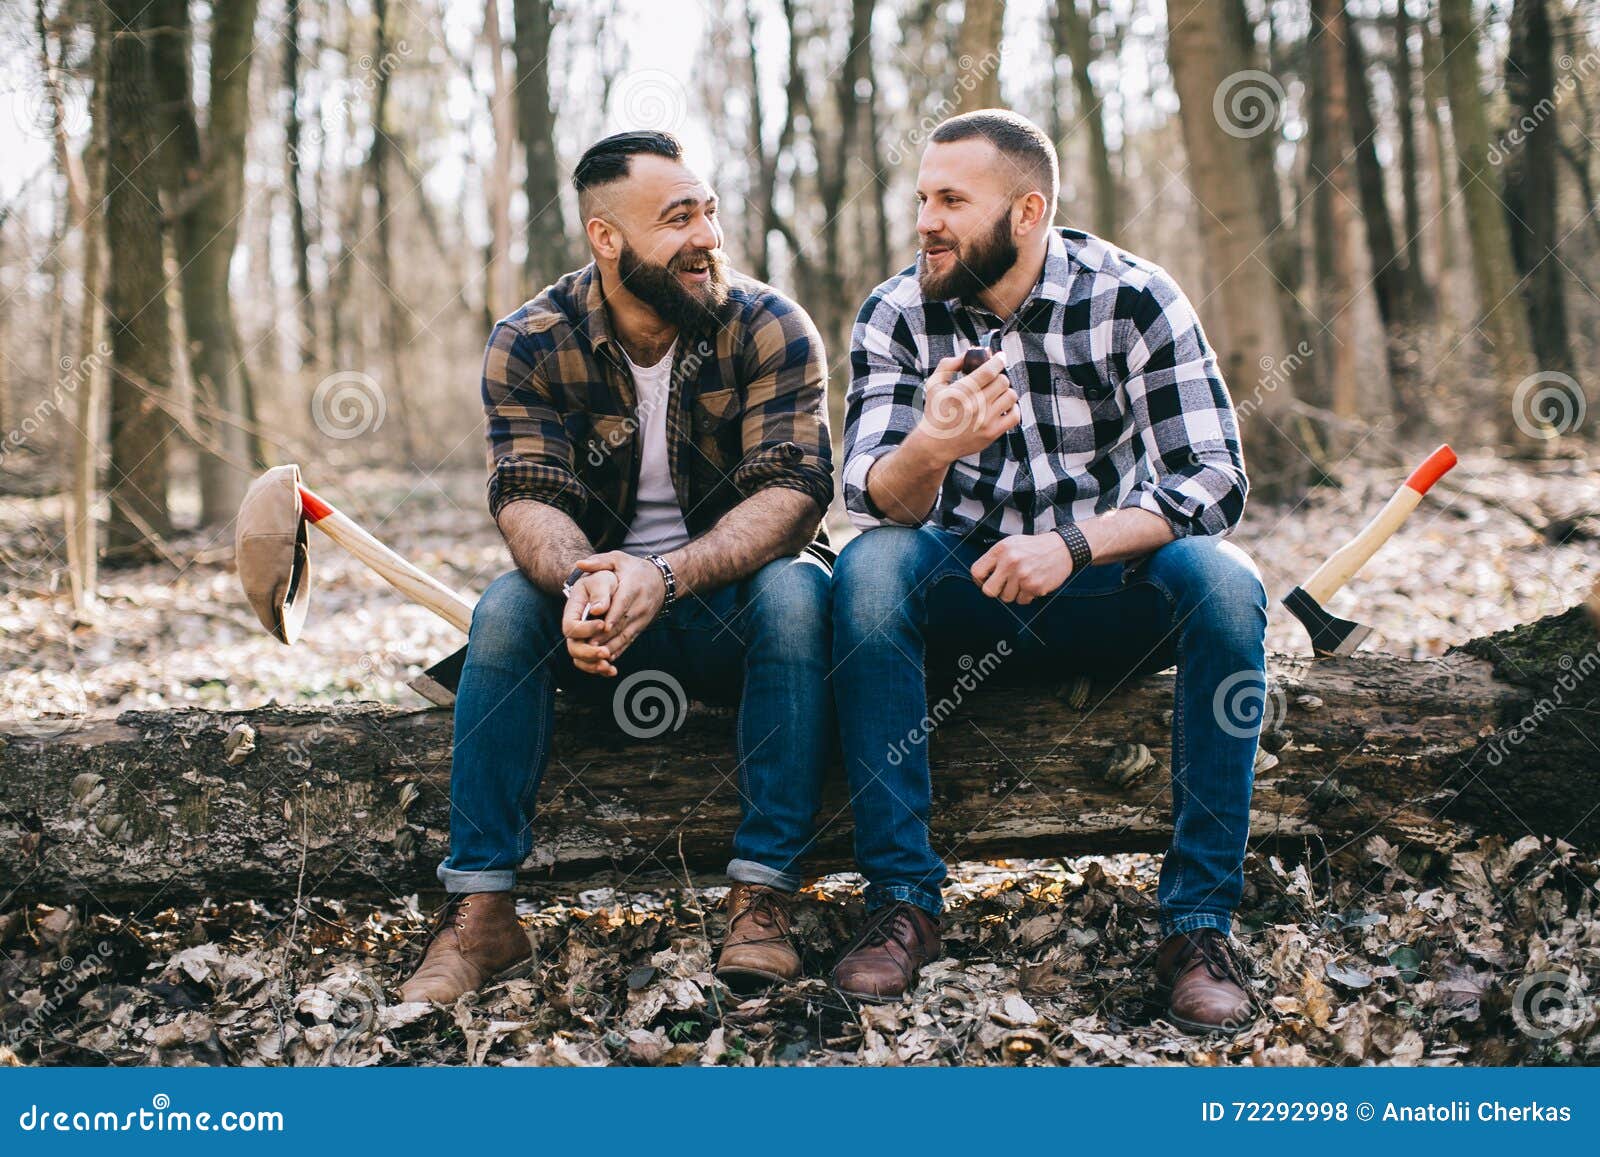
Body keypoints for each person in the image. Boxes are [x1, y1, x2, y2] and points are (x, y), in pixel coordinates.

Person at [830, 110, 1266, 1033]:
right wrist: (932, 447)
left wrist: (1073, 545)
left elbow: (1217, 479)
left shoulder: (1133, 298)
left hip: (1107, 588)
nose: (926, 222)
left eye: (953, 200)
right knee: (866, 572)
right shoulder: (897, 312)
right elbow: (878, 501)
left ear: (1027, 211)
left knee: (1224, 582)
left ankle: (1196, 923)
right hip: (966, 592)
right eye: (922, 198)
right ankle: (904, 902)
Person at [400, 131, 834, 1004]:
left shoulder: (770, 325)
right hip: (594, 621)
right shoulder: (529, 341)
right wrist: (579, 582)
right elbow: (524, 493)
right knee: (501, 612)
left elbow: (793, 494)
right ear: (607, 239)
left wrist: (665, 576)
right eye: (678, 219)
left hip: (727, 612)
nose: (707, 235)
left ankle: (762, 898)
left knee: (797, 591)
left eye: (709, 209)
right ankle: (482, 916)